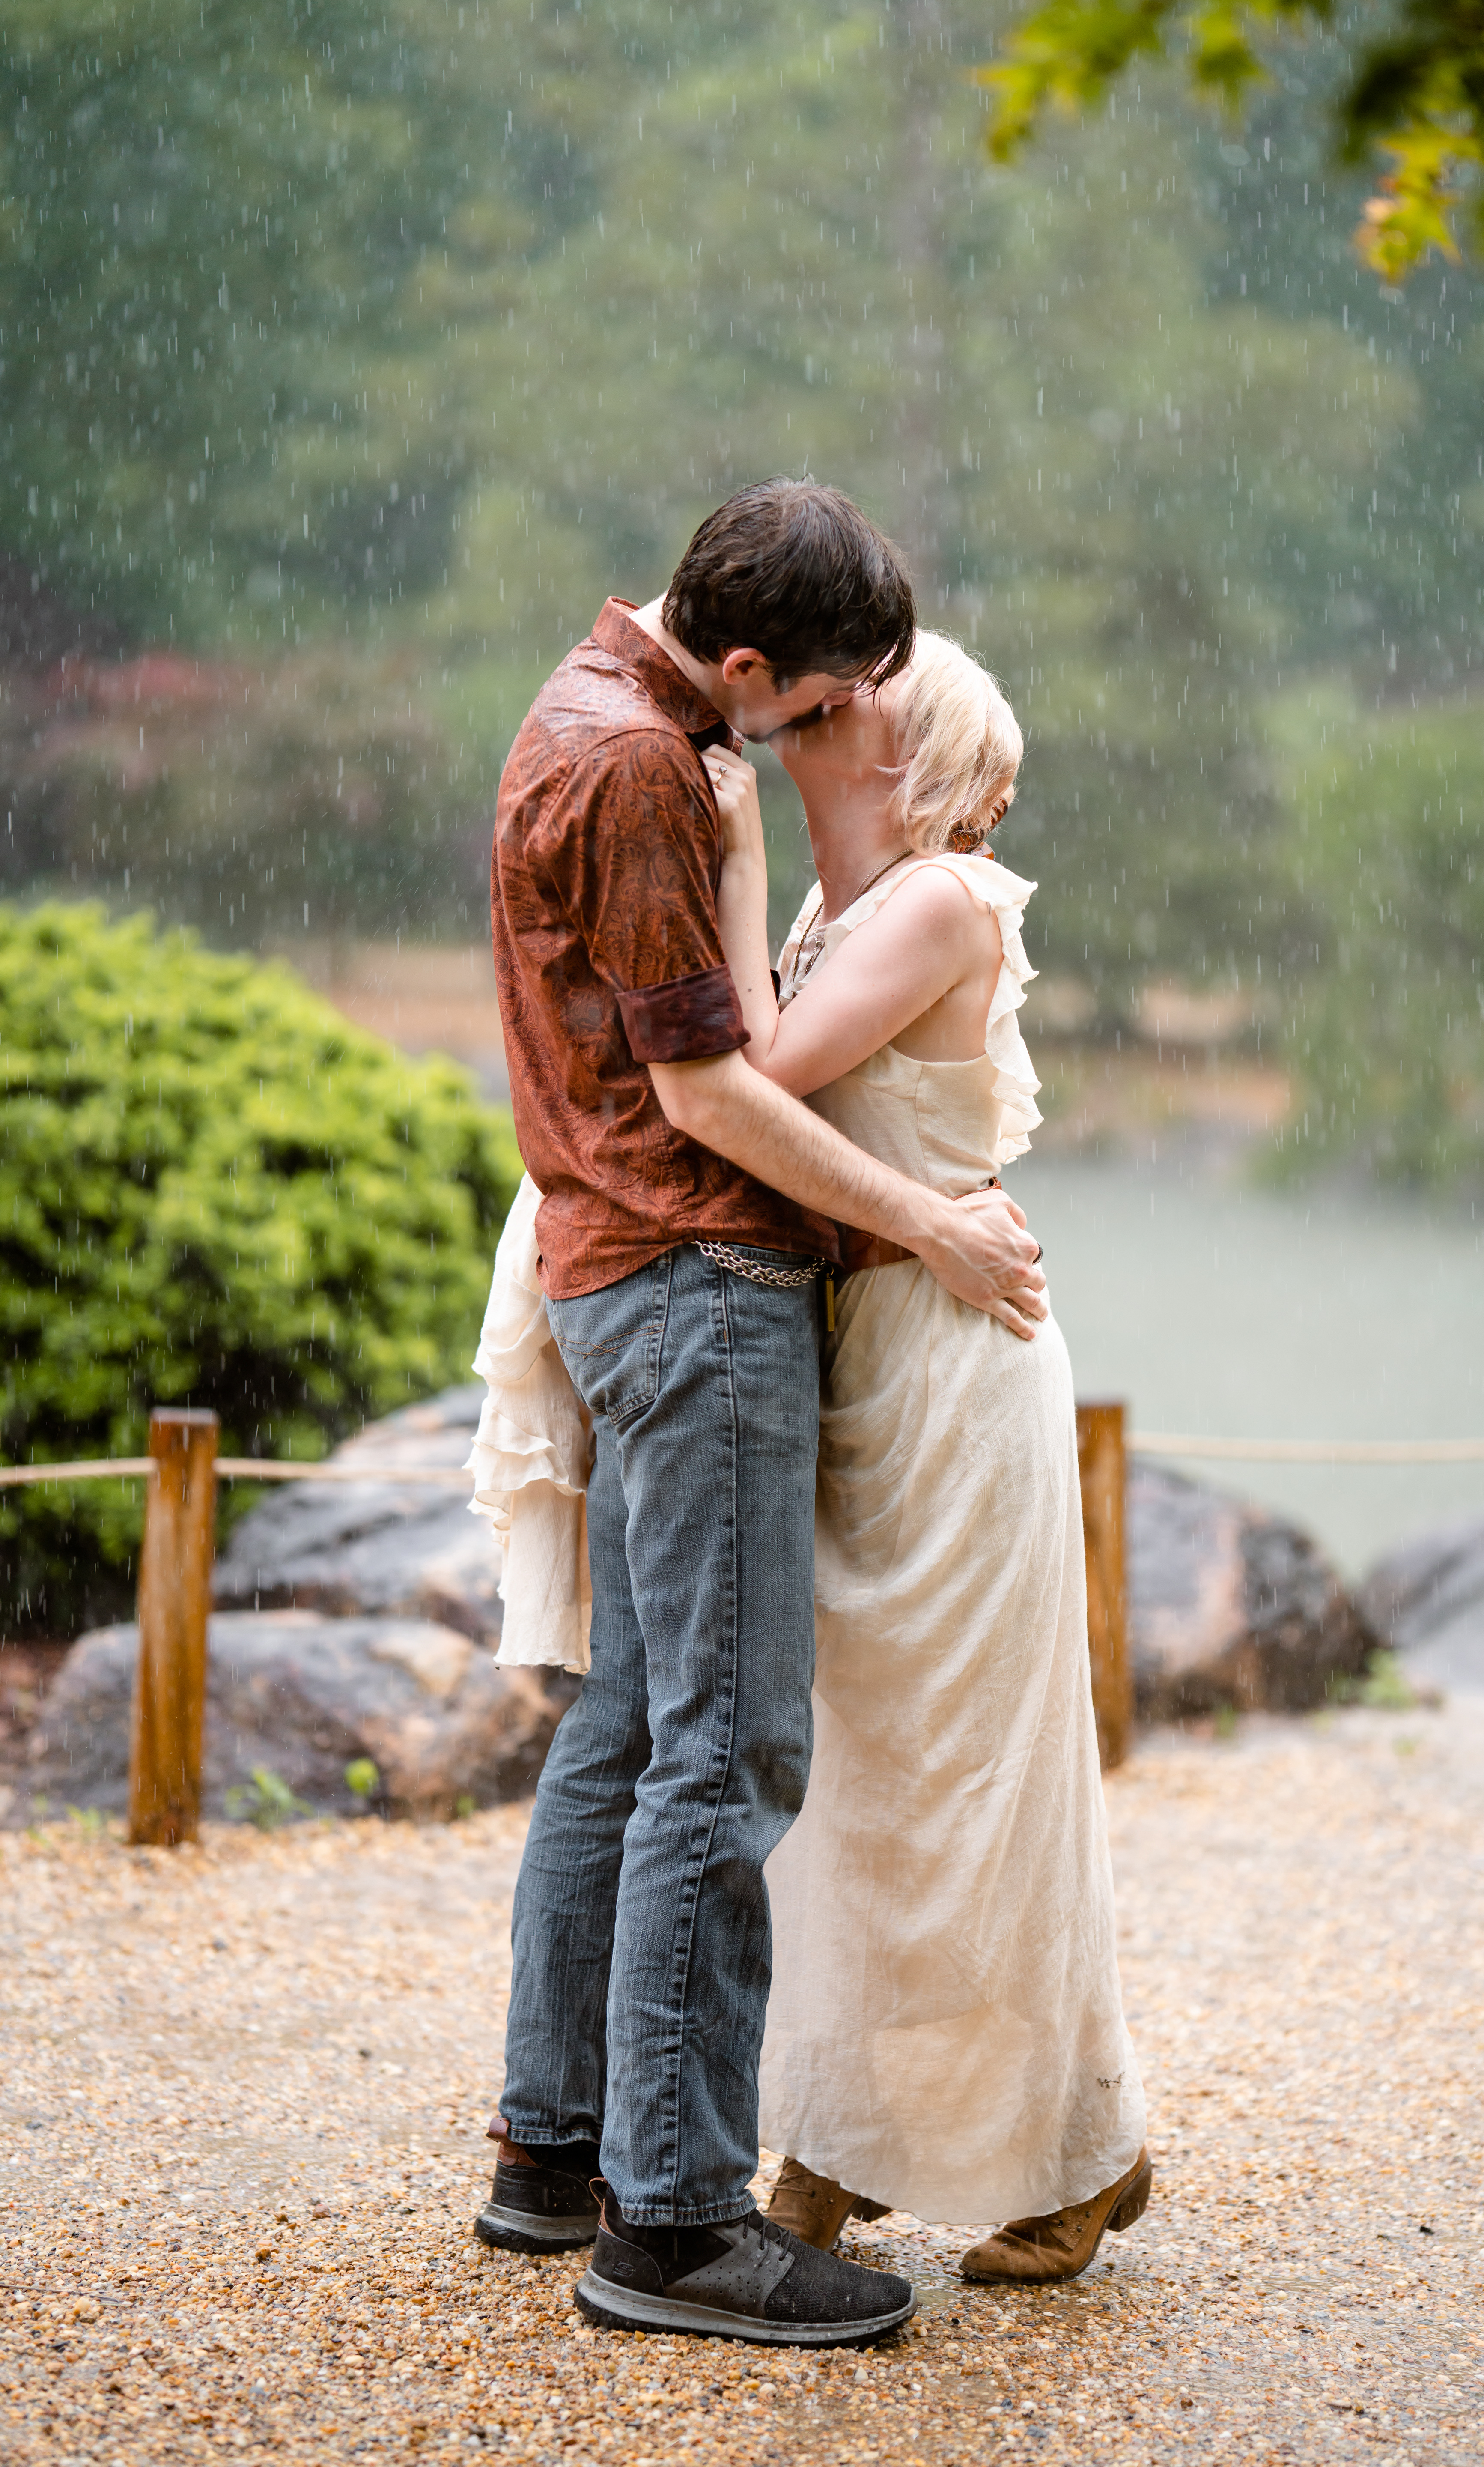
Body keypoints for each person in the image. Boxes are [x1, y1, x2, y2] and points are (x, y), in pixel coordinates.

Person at [476, 481, 1046, 2347]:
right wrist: (933, 1224)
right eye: (811, 700)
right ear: (739, 664)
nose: (819, 728)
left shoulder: (584, 716)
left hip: (614, 1273)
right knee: (730, 1752)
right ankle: (679, 2223)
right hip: (699, 1287)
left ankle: (555, 2151)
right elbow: (712, 1094)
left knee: (634, 1730)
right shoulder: (644, 771)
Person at [700, 628, 1151, 2285]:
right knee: (858, 1773)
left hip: (959, 1373)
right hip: (865, 1360)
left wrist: (736, 854)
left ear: (914, 743)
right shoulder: (847, 912)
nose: (840, 701)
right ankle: (838, 2132)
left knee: (981, 1771)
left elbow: (749, 1072)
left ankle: (1074, 2151)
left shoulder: (942, 901)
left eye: (871, 695)